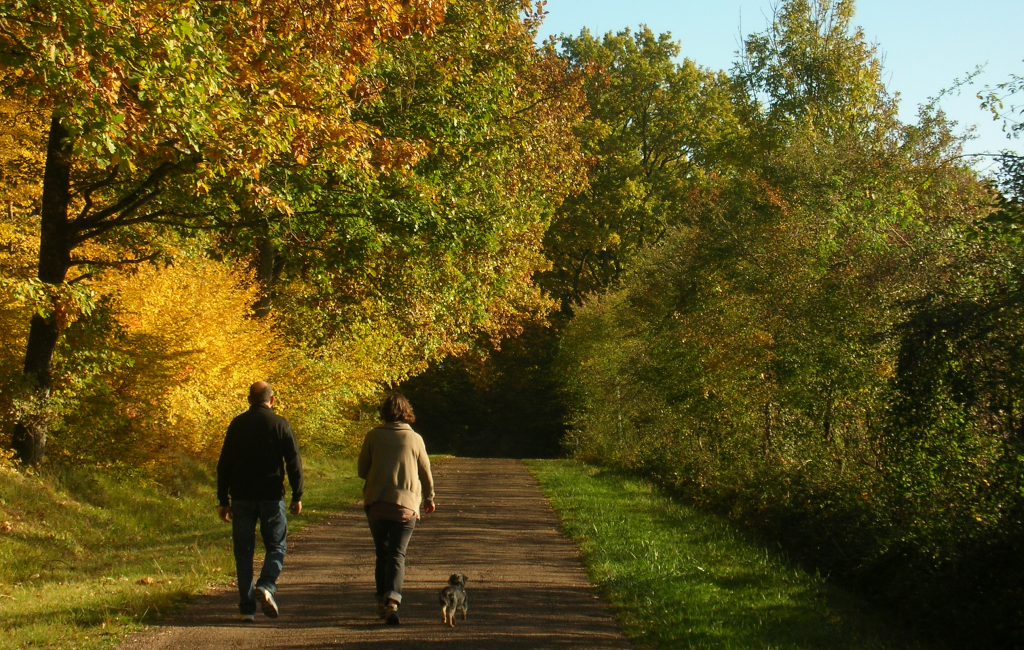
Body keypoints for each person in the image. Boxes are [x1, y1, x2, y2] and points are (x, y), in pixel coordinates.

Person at [216, 381, 304, 621]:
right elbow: (294, 462)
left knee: (243, 552)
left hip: (241, 497)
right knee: (276, 546)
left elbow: (225, 463)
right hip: (271, 496)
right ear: (272, 400)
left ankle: (246, 610)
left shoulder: (237, 424)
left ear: (249, 400)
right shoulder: (280, 424)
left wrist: (223, 499)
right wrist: (297, 494)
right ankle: (266, 584)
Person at [358, 392, 435, 625]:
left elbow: (362, 470)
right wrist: (429, 498)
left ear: (384, 412)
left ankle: (381, 601)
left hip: (377, 503)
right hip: (406, 505)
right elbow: (426, 472)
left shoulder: (373, 436)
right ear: (407, 412)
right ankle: (393, 600)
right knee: (397, 554)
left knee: (382, 553)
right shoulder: (415, 439)